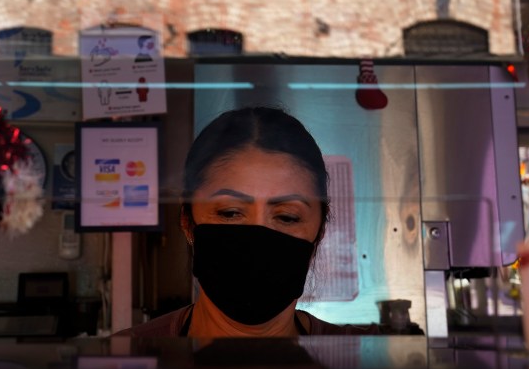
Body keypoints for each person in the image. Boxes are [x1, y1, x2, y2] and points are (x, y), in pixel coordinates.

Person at [115, 106, 381, 337]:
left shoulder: (373, 358)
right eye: (230, 213)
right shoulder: (124, 358)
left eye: (287, 216)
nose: (258, 236)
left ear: (319, 232)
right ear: (188, 223)